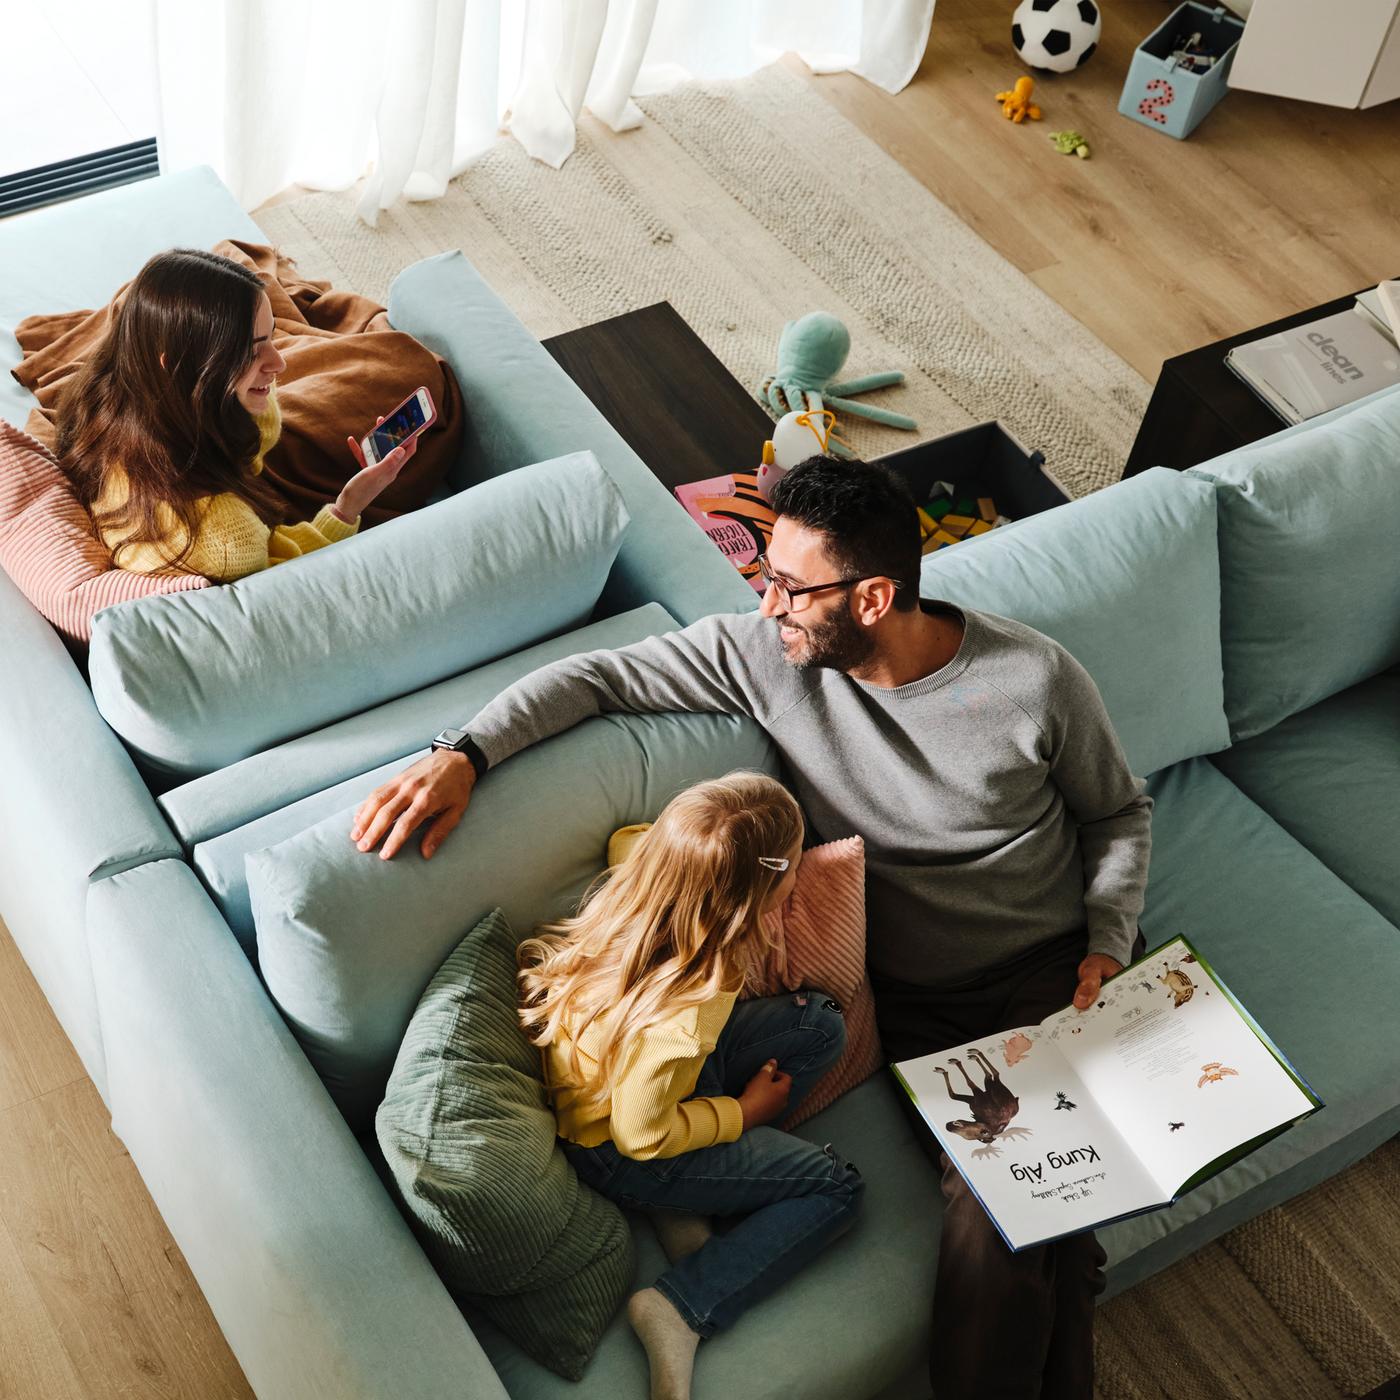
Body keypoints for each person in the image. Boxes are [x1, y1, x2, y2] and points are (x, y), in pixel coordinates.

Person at [351, 455, 1153, 1400]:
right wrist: (464, 754)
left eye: (789, 586)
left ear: (874, 597)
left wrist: (1108, 941)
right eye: (764, 579)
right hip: (921, 1006)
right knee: (1025, 1209)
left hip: (1052, 973)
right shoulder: (769, 656)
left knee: (1031, 1209)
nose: (768, 605)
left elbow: (1117, 814)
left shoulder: (1034, 681)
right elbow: (600, 679)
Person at [518, 771, 862, 1400]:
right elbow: (640, 1134)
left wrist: (689, 840)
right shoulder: (686, 1008)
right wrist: (742, 1113)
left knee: (819, 1024)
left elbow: (632, 838)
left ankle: (692, 1202)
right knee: (836, 1190)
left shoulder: (642, 879)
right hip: (624, 1151)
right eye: (791, 870)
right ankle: (681, 1308)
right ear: (757, 896)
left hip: (646, 1084)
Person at [57, 247, 417, 583]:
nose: (280, 363)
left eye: (271, 337)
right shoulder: (228, 542)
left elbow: (258, 435)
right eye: (250, 350)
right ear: (178, 369)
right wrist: (346, 509)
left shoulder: (105, 391)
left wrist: (248, 375)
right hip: (230, 506)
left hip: (218, 454)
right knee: (405, 366)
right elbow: (290, 573)